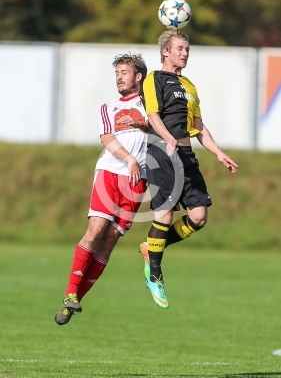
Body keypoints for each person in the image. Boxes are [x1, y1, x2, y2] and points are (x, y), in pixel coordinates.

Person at [139, 30, 239, 309]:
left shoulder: (190, 86)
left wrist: (218, 151)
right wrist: (167, 137)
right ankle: (155, 275)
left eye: (187, 49)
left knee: (199, 216)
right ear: (165, 52)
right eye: (180, 48)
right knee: (165, 215)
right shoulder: (153, 80)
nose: (184, 53)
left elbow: (198, 125)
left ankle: (151, 247)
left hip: (186, 155)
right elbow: (152, 114)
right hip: (162, 153)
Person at [54, 53, 148, 325]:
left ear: (138, 76)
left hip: (136, 181)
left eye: (124, 72)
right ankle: (71, 292)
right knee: (96, 230)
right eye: (116, 72)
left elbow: (160, 131)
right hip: (110, 172)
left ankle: (72, 303)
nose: (119, 76)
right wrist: (129, 158)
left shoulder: (150, 105)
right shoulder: (110, 106)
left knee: (109, 242)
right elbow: (107, 137)